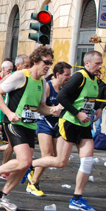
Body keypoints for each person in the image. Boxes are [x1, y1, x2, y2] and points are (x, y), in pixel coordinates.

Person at [0, 46, 59, 211]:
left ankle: (1, 197)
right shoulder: (20, 76)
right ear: (35, 61)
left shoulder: (42, 82)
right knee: (25, 161)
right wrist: (9, 114)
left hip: (29, 125)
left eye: (50, 63)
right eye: (46, 62)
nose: (48, 66)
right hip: (14, 123)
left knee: (24, 165)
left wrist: (53, 110)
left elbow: (41, 107)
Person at [30, 50, 104, 211]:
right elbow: (63, 96)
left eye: (101, 62)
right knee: (60, 162)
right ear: (87, 63)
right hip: (69, 122)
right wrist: (77, 113)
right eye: (97, 63)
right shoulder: (80, 76)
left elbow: (91, 99)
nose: (100, 66)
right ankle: (29, 165)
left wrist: (98, 109)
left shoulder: (95, 80)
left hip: (84, 126)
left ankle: (76, 199)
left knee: (88, 160)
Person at [26, 61, 72, 197]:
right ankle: (33, 183)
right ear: (57, 74)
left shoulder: (66, 89)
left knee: (59, 158)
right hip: (44, 123)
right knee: (47, 155)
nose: (69, 78)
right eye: (67, 75)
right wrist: (52, 110)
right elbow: (40, 107)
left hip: (59, 125)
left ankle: (32, 168)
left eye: (70, 75)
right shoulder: (48, 86)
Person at [93, 71, 106, 136]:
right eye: (97, 75)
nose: (98, 76)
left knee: (98, 125)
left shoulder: (104, 86)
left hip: (98, 107)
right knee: (89, 124)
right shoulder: (91, 84)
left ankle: (97, 139)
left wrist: (101, 107)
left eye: (99, 75)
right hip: (90, 106)